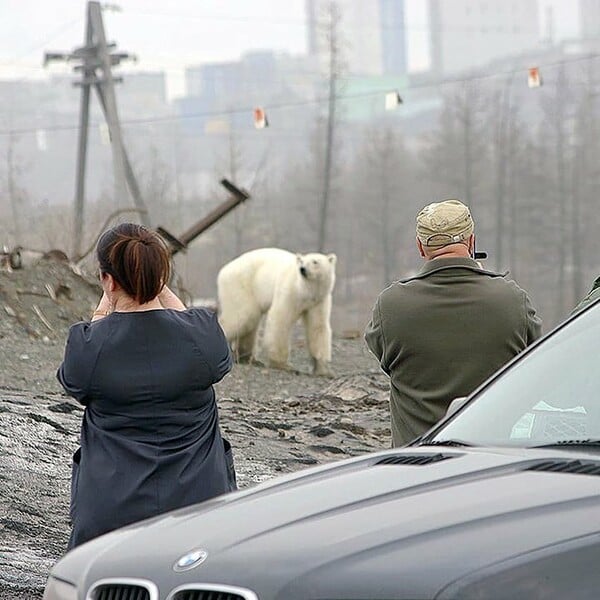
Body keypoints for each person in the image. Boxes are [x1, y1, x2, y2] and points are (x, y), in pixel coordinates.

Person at [57, 222, 236, 550]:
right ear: (161, 276)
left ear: (107, 280)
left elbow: (82, 369)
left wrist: (109, 300)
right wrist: (155, 286)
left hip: (110, 518)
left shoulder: (88, 346)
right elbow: (191, 327)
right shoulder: (203, 335)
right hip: (200, 510)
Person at [365, 199, 542, 447]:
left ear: (420, 247)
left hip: (415, 465)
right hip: (492, 462)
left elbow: (385, 358)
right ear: (471, 241)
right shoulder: (512, 300)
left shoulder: (391, 306)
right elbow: (537, 360)